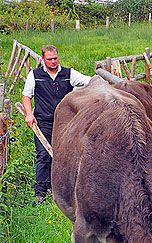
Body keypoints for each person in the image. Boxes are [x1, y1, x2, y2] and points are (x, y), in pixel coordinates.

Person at [22, 45, 91, 206]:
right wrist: (29, 113)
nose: (53, 62)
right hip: (43, 122)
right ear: (43, 59)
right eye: (49, 59)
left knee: (65, 155)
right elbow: (26, 95)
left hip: (66, 124)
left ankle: (61, 190)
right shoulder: (35, 75)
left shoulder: (68, 74)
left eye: (55, 58)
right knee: (43, 156)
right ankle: (40, 192)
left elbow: (88, 82)